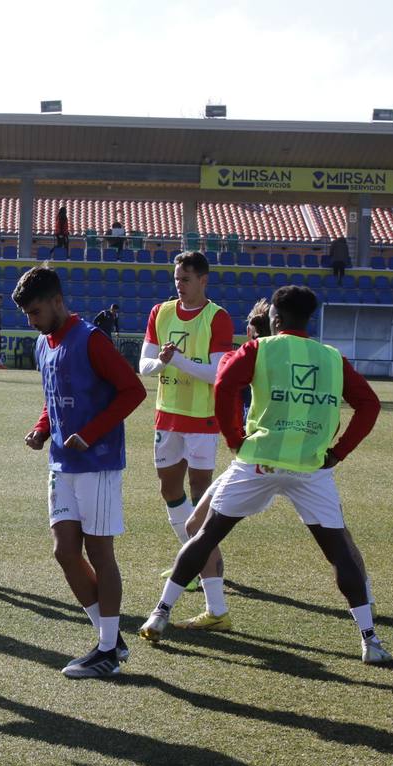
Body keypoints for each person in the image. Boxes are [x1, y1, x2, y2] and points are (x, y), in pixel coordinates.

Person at [144, 285, 389, 664]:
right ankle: (370, 640)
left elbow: (224, 382)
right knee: (339, 551)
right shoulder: (331, 358)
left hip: (258, 461)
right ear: (310, 318)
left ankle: (161, 613)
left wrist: (234, 437)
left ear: (275, 316)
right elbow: (369, 404)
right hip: (310, 468)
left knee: (206, 533)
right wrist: (338, 452)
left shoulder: (261, 348)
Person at [14, 266, 147, 678]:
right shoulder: (43, 343)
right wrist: (41, 429)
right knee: (65, 551)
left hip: (98, 463)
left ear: (57, 301)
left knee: (99, 553)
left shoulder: (91, 339)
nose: (32, 322)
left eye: (35, 312)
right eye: (27, 316)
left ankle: (107, 650)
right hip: (61, 463)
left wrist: (89, 434)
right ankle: (110, 641)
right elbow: (52, 398)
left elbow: (134, 390)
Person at [139, 251, 234, 622]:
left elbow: (216, 373)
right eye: (177, 278)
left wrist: (175, 360)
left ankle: (205, 577)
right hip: (167, 416)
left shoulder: (217, 317)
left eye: (187, 279)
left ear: (204, 280)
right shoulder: (160, 312)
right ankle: (191, 559)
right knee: (169, 489)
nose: (180, 285)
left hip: (202, 419)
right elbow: (144, 365)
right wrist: (162, 361)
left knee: (200, 495)